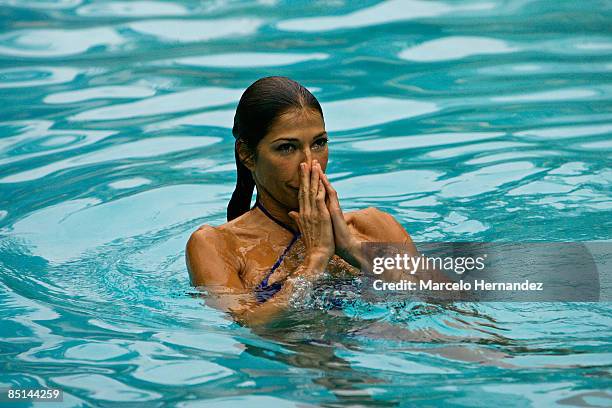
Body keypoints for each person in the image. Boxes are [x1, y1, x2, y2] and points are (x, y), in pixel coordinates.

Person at [186, 76, 419, 326]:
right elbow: (250, 327)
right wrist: (315, 259)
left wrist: (353, 250)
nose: (309, 164)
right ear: (247, 155)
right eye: (287, 148)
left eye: (319, 143)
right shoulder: (219, 246)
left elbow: (451, 298)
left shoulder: (374, 226)